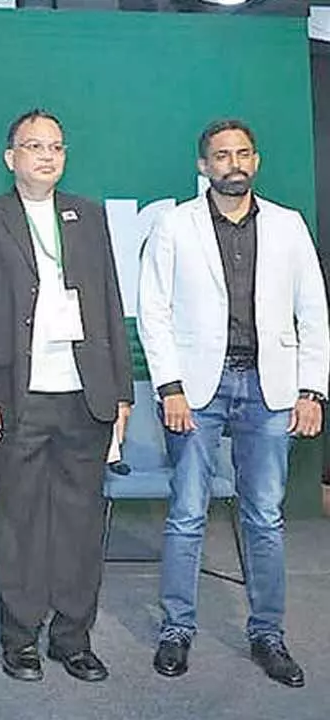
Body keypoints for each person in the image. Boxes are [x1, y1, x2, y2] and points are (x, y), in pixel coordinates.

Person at [138, 119, 329, 688]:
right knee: (187, 513)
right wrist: (169, 387)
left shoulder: (289, 226)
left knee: (264, 516)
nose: (234, 163)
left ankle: (268, 633)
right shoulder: (176, 225)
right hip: (197, 389)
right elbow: (154, 311)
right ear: (204, 166)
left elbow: (313, 312)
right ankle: (177, 629)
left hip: (271, 388)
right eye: (221, 155)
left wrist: (312, 389)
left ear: (256, 161)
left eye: (243, 153)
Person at [0, 109, 132, 684]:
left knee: (81, 523)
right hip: (17, 396)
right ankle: (22, 638)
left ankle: (73, 638)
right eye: (34, 146)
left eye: (56, 147)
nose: (47, 156)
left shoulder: (89, 215)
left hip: (86, 394)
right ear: (11, 158)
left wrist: (122, 391)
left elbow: (109, 302)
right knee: (19, 523)